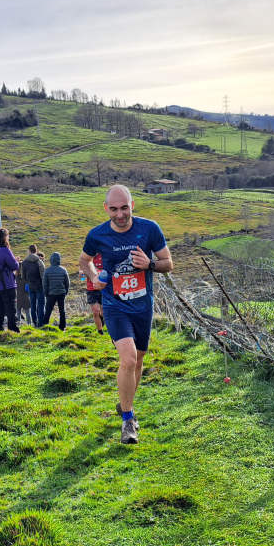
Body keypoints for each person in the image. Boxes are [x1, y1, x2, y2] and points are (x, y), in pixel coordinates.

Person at [79, 185, 173, 444]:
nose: (119, 214)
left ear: (132, 205)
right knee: (129, 359)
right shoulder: (97, 234)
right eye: (113, 209)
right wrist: (94, 276)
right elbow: (84, 261)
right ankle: (128, 421)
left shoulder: (149, 229)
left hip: (142, 306)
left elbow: (168, 263)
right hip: (115, 305)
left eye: (124, 208)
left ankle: (125, 403)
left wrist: (150, 264)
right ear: (105, 208)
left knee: (139, 359)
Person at [42, 251, 70, 329]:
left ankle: (45, 325)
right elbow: (67, 283)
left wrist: (46, 293)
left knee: (48, 310)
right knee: (62, 310)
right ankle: (62, 326)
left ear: (51, 260)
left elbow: (45, 284)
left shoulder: (47, 271)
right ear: (59, 260)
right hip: (61, 293)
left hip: (51, 293)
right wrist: (66, 291)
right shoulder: (63, 270)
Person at [20, 243, 46, 327]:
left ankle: (34, 322)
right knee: (41, 305)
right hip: (40, 286)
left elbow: (23, 276)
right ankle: (41, 323)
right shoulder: (39, 261)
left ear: (29, 251)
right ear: (36, 250)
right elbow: (43, 275)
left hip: (31, 286)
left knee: (33, 305)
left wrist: (28, 282)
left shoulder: (24, 262)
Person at [84, 252, 105, 334]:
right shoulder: (87, 257)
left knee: (103, 311)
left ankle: (102, 320)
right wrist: (82, 274)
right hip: (91, 289)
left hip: (103, 287)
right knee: (96, 311)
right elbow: (82, 275)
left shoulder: (103, 255)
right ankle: (100, 331)